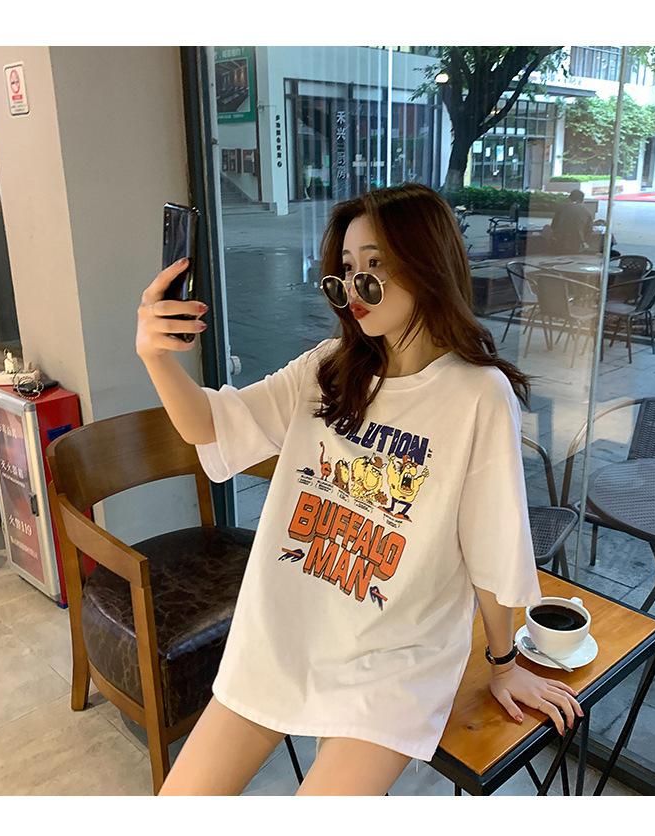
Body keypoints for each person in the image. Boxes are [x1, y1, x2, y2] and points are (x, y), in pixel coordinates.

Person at [135, 182, 583, 796]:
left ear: (426, 266)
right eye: (346, 271)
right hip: (285, 632)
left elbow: (492, 545)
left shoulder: (477, 395)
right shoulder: (328, 368)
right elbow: (208, 425)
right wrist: (156, 357)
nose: (353, 288)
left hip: (393, 659)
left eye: (374, 267)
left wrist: (503, 664)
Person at [550, 188, 594, 254]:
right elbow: (589, 230)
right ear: (582, 199)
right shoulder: (587, 212)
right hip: (577, 245)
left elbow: (553, 225)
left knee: (546, 228)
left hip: (560, 244)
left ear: (570, 198)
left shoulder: (561, 208)